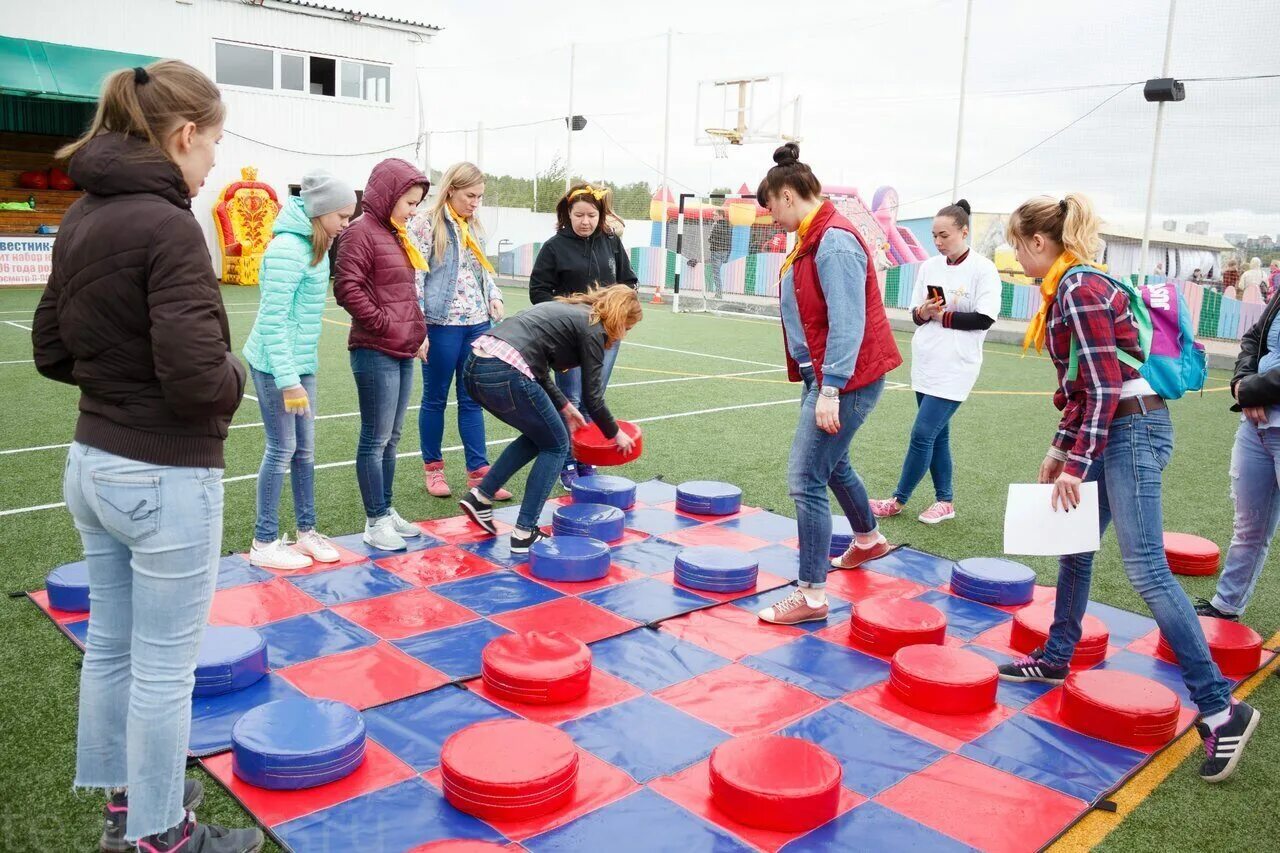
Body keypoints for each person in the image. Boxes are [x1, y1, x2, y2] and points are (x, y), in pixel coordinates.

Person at [31, 61, 261, 852]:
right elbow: (201, 380)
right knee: (162, 668)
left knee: (115, 649)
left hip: (92, 463)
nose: (215, 165)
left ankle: (129, 802)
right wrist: (239, 372)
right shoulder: (168, 224)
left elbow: (51, 350)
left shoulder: (84, 215)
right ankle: (160, 834)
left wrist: (118, 379)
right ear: (183, 135)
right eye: (214, 145)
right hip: (162, 475)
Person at [997, 193, 1259, 783]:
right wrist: (1059, 448)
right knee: (1077, 544)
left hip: (1132, 432)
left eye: (1018, 244)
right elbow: (1086, 388)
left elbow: (1103, 384)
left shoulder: (1077, 289)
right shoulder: (1073, 285)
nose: (1016, 255)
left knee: (1145, 568)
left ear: (1040, 242)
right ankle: (1057, 657)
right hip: (1118, 426)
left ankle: (1221, 708)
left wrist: (1073, 460)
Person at [752, 144, 901, 627]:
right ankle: (869, 539)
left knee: (806, 477)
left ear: (789, 195)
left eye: (772, 207)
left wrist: (831, 388)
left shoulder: (833, 240)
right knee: (834, 466)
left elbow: (847, 322)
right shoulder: (812, 236)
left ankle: (812, 596)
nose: (773, 218)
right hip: (826, 372)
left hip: (846, 376)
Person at [457, 285, 640, 553]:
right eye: (628, 326)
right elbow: (593, 397)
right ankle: (524, 532)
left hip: (476, 366)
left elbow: (539, 368)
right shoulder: (593, 328)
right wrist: (615, 433)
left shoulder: (570, 310)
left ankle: (481, 496)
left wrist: (564, 406)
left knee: (539, 435)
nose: (624, 333)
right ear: (619, 317)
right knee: (557, 445)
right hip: (505, 370)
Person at [242, 171, 356, 570]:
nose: (346, 223)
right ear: (320, 211)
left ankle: (306, 532)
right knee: (282, 449)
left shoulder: (317, 246)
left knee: (305, 451)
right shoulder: (287, 250)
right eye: (342, 216)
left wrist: (300, 373)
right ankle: (264, 541)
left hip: (300, 363)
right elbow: (272, 321)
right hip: (276, 366)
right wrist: (288, 382)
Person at [870, 200, 1001, 524]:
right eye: (934, 236)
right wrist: (925, 313)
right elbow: (917, 313)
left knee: (922, 433)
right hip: (927, 360)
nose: (939, 242)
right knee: (937, 435)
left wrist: (943, 317)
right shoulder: (930, 266)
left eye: (944, 235)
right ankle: (945, 501)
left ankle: (898, 500)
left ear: (964, 231)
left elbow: (985, 318)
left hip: (957, 365)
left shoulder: (983, 269)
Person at [335, 158, 431, 552]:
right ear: (388, 195)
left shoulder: (394, 234)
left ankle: (386, 509)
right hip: (375, 350)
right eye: (408, 202)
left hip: (401, 348)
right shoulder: (360, 233)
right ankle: (374, 521)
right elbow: (347, 288)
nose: (412, 211)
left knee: (392, 438)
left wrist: (416, 331)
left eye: (416, 204)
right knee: (375, 439)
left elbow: (404, 292)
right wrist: (384, 325)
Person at [408, 162, 510, 500]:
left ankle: (479, 472)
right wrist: (418, 326)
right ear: (450, 189)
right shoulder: (425, 225)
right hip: (441, 325)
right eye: (470, 195)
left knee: (473, 399)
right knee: (435, 398)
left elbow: (481, 268)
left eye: (480, 196)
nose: (475, 202)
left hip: (477, 324)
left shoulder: (474, 226)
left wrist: (493, 296)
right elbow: (416, 277)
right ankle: (433, 469)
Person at [528, 183, 638, 488]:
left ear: (600, 215)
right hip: (569, 340)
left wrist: (624, 303)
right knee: (572, 400)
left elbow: (628, 280)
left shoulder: (612, 243)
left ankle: (586, 459)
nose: (585, 221)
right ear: (568, 214)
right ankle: (567, 462)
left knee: (594, 399)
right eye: (579, 215)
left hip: (607, 335)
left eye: (591, 215)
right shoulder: (554, 247)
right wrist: (566, 312)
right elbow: (537, 291)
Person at [1196, 290, 1280, 623]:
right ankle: (1226, 606)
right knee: (1249, 526)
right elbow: (1254, 337)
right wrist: (1242, 381)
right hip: (1257, 425)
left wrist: (1253, 390)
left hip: (1261, 406)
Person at [707, 208, 732, 296]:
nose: (713, 217)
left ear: (721, 216)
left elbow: (710, 239)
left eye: (715, 215)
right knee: (717, 272)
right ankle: (718, 291)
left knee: (716, 273)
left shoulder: (716, 226)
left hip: (717, 251)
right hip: (724, 252)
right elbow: (729, 241)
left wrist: (710, 236)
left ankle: (719, 293)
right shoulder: (728, 226)